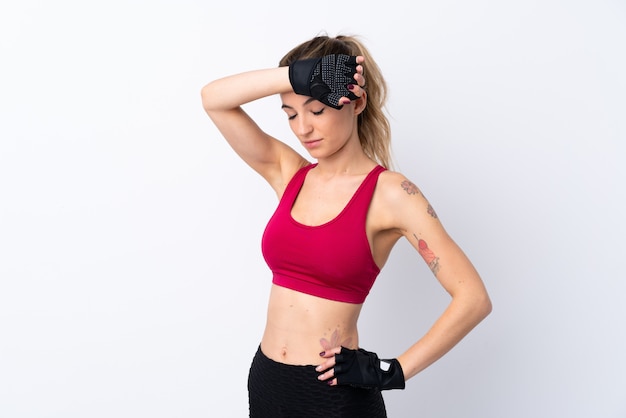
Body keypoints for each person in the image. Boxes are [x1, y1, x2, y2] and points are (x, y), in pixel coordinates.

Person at [201, 34, 492, 417]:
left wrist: (392, 371)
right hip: (267, 382)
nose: (303, 128)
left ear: (356, 102)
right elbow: (214, 100)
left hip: (333, 397)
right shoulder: (289, 174)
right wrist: (297, 76)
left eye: (317, 110)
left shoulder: (392, 194)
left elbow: (473, 298)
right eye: (290, 114)